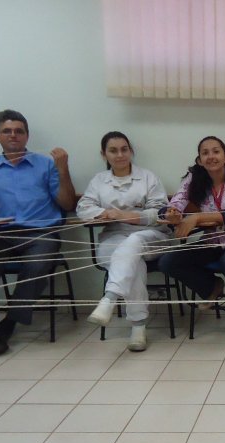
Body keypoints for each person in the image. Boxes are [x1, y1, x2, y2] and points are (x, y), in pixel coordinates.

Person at [0, 109, 76, 364]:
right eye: (7, 131)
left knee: (38, 264)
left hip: (42, 233)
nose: (13, 135)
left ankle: (8, 324)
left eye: (19, 131)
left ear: (27, 136)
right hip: (3, 233)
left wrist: (63, 170)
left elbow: (67, 204)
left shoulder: (45, 164)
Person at [76, 131, 171, 352]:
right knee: (133, 262)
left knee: (134, 242)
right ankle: (138, 328)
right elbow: (83, 208)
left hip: (151, 236)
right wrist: (104, 213)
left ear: (131, 151)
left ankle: (109, 298)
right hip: (113, 237)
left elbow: (159, 213)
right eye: (113, 150)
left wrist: (126, 216)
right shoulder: (99, 181)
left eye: (124, 149)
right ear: (104, 154)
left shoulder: (148, 177)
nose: (119, 155)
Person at [159, 136, 225, 314]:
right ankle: (211, 287)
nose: (211, 156)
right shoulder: (194, 177)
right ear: (199, 160)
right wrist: (171, 213)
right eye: (205, 153)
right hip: (211, 242)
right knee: (168, 262)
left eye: (216, 151)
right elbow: (178, 200)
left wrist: (195, 218)